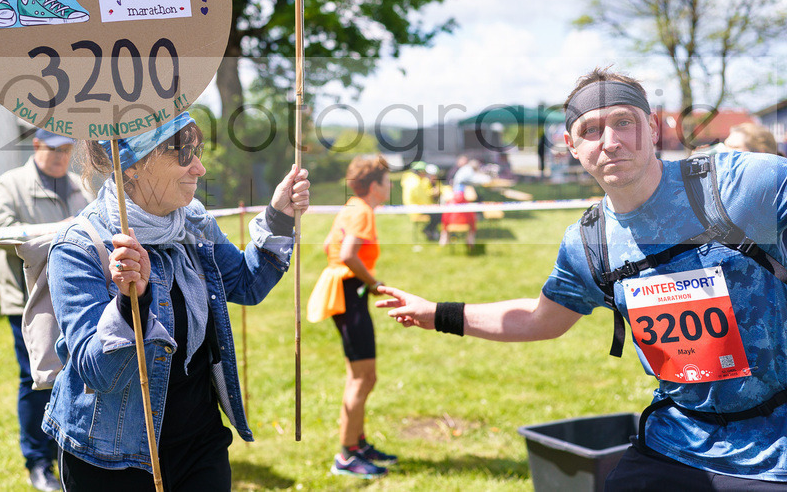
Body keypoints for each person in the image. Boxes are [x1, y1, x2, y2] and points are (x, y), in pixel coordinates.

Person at [377, 67, 787, 489]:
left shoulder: (742, 187)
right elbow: (540, 319)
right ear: (570, 146)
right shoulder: (590, 242)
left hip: (776, 449)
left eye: (624, 122)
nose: (610, 142)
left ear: (650, 126)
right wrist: (436, 314)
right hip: (677, 441)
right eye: (590, 130)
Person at [42, 112, 310, 490]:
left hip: (200, 443)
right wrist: (128, 301)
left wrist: (279, 216)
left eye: (196, 153)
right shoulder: (78, 245)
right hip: (108, 458)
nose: (199, 168)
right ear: (132, 165)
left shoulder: (194, 223)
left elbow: (247, 283)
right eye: (184, 155)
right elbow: (97, 373)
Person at [0, 128, 95, 492]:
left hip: (78, 298)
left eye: (68, 149)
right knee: (36, 381)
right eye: (55, 149)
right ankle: (38, 462)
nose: (62, 156)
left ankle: (73, 452)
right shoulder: (9, 185)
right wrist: (56, 232)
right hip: (28, 303)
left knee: (80, 377)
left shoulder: (82, 184)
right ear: (36, 146)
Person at [306, 155, 397, 479]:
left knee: (358, 375)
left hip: (343, 289)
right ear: (375, 186)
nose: (390, 186)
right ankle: (347, 455)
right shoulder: (363, 212)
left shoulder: (351, 207)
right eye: (387, 181)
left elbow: (329, 246)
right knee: (364, 377)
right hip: (349, 291)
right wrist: (373, 282)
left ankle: (358, 444)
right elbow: (346, 254)